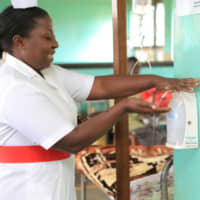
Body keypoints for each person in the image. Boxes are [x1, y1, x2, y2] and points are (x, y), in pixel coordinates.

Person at [0, 4, 199, 200]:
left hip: (53, 183)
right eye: (47, 37)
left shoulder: (47, 73)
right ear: (20, 42)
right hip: (26, 188)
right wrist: (123, 107)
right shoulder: (13, 86)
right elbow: (72, 141)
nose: (55, 44)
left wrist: (155, 80)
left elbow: (101, 86)